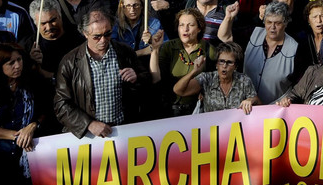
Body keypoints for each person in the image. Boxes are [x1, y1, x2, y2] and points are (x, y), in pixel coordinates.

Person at [53, 8, 148, 138]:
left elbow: (147, 82)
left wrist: (137, 76)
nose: (103, 40)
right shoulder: (70, 62)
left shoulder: (125, 52)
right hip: (90, 137)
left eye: (107, 34)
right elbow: (61, 104)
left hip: (123, 130)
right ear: (85, 33)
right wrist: (89, 124)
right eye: (97, 37)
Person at [146, 7, 217, 116]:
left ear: (199, 28)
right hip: (168, 109)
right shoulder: (169, 47)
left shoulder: (208, 50)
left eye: (191, 25)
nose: (185, 29)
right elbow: (156, 78)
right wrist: (155, 50)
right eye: (181, 25)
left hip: (196, 110)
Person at [236, 1, 308, 105]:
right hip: (246, 105)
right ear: (264, 22)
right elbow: (225, 37)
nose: (272, 27)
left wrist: (290, 99)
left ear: (286, 23)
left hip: (276, 109)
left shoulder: (295, 48)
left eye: (277, 23)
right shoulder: (252, 34)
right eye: (269, 22)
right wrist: (229, 18)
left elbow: (300, 85)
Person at [171, 42, 259, 114]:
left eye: (229, 62)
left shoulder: (243, 80)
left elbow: (258, 103)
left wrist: (250, 100)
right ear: (216, 64)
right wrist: (194, 71)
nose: (224, 66)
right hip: (211, 131)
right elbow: (178, 90)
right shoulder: (207, 78)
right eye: (221, 61)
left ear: (235, 66)